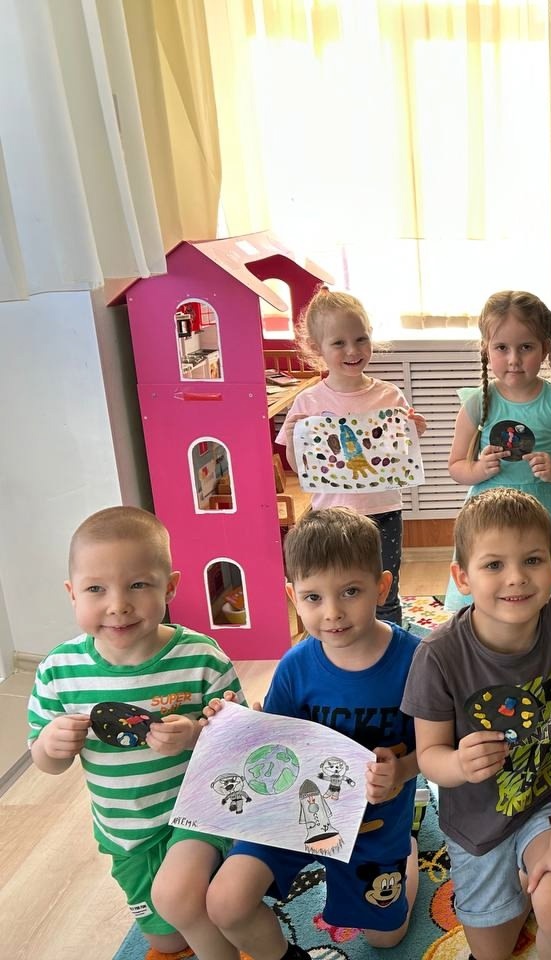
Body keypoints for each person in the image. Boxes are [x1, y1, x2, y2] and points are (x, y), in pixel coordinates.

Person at [402, 488, 551, 960]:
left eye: (531, 560)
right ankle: (525, 874)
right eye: (494, 564)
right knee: (493, 951)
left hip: (545, 802)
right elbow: (429, 757)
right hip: (476, 822)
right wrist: (458, 763)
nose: (516, 577)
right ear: (462, 577)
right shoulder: (436, 656)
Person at [205, 507, 421, 960]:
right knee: (226, 902)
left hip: (374, 822)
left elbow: (439, 744)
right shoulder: (296, 666)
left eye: (351, 591)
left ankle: (409, 852)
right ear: (292, 596)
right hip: (293, 812)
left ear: (382, 587)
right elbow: (274, 750)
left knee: (384, 938)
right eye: (313, 597)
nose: (333, 612)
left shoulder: (416, 661)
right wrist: (244, 728)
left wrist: (403, 770)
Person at [27, 506, 242, 960]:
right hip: (125, 830)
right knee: (167, 938)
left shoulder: (201, 657)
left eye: (138, 585)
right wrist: (50, 745)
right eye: (96, 589)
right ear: (72, 593)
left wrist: (195, 734)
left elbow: (240, 740)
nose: (118, 604)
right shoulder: (60, 671)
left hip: (197, 812)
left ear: (170, 587)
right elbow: (44, 761)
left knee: (183, 898)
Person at [276, 287, 427, 625]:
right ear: (316, 348)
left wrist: (414, 429)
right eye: (339, 343)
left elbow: (400, 453)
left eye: (361, 339)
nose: (353, 350)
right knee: (339, 587)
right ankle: (345, 640)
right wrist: (297, 439)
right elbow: (298, 466)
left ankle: (390, 644)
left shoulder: (389, 394)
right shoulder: (308, 402)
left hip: (384, 510)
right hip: (332, 516)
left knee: (385, 588)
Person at [445, 290, 551, 611]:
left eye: (526, 347)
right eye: (502, 348)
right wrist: (478, 469)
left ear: (545, 349)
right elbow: (456, 466)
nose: (514, 359)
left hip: (545, 513)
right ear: (486, 349)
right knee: (491, 588)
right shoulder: (478, 403)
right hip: (489, 518)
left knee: (546, 592)